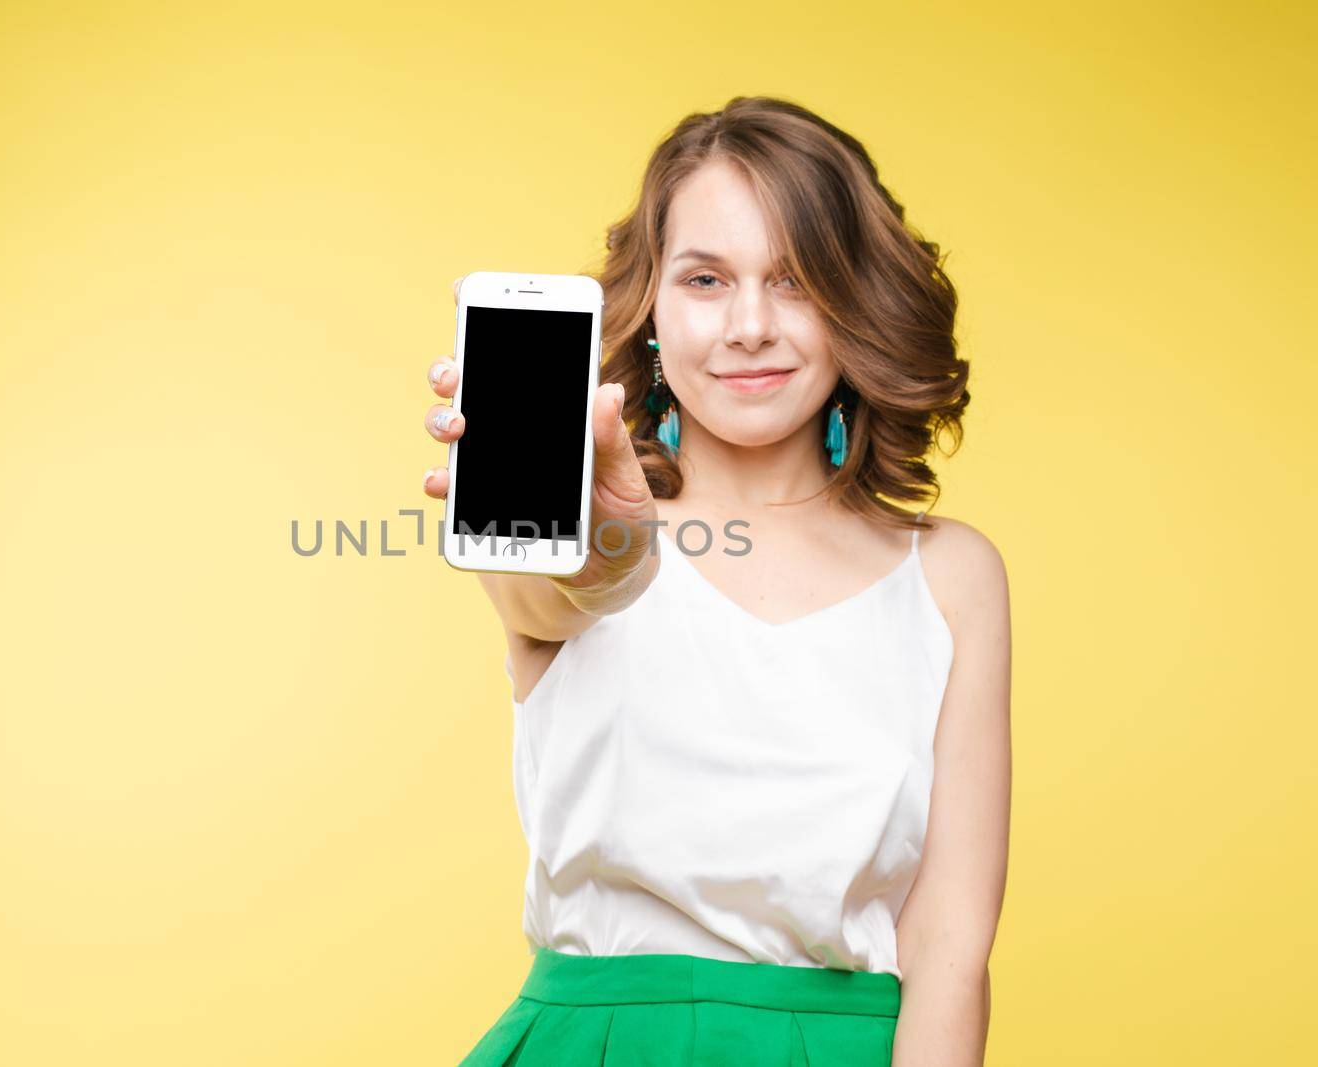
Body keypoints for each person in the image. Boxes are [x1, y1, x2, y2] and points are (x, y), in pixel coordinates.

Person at [421, 96, 1010, 1067]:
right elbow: (563, 593)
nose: (747, 325)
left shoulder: (950, 576)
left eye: (794, 280)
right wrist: (609, 542)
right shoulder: (576, 531)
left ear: (853, 300)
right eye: (705, 278)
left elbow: (950, 951)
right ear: (651, 307)